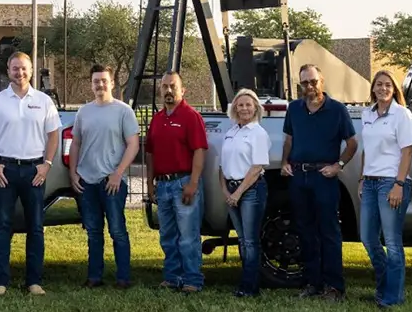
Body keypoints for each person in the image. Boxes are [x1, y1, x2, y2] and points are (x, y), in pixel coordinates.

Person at [0, 52, 62, 296]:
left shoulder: (44, 101)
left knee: (35, 227)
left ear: (31, 70)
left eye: (24, 68)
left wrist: (46, 164)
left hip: (34, 171)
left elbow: (54, 134)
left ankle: (34, 281)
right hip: (5, 170)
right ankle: (0, 281)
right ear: (8, 70)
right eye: (15, 68)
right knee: (2, 226)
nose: (20, 73)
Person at [281, 64, 357, 302]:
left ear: (322, 81)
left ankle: (335, 287)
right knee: (305, 231)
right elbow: (289, 139)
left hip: (324, 177)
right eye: (305, 83)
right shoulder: (294, 109)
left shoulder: (337, 110)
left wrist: (339, 166)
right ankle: (312, 283)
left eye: (313, 81)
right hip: (298, 177)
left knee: (329, 232)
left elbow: (352, 143)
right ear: (300, 85)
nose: (310, 86)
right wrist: (284, 162)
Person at [67, 63, 139, 290]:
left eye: (104, 80)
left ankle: (123, 278)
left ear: (112, 83)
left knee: (117, 230)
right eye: (96, 81)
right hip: (87, 180)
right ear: (91, 84)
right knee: (93, 231)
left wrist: (118, 174)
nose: (100, 84)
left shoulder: (123, 111)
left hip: (113, 182)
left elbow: (133, 144)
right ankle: (94, 277)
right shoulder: (83, 112)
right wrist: (73, 173)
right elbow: (76, 143)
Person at [145, 71, 208, 294]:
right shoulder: (157, 119)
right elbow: (150, 153)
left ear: (183, 90)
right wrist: (150, 183)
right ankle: (172, 277)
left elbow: (200, 151)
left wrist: (193, 182)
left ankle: (192, 280)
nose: (168, 90)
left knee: (188, 236)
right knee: (168, 236)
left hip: (183, 183)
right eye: (164, 87)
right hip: (162, 185)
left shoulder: (191, 117)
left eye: (173, 86)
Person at [358, 69, 412, 308]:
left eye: (388, 85)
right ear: (373, 88)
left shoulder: (402, 115)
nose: (383, 88)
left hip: (391, 182)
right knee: (367, 238)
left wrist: (399, 184)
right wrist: (362, 178)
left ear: (394, 90)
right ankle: (384, 287)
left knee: (392, 242)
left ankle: (393, 296)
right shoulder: (367, 114)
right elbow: (366, 149)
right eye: (379, 84)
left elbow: (408, 151)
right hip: (370, 183)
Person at [220, 88, 270, 298]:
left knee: (250, 241)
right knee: (242, 239)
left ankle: (249, 287)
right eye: (240, 105)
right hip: (231, 190)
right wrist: (225, 191)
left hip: (251, 190)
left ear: (256, 107)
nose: (244, 108)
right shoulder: (231, 132)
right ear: (235, 109)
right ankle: (246, 284)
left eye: (248, 104)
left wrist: (238, 193)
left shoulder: (258, 133)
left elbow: (257, 167)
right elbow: (221, 166)